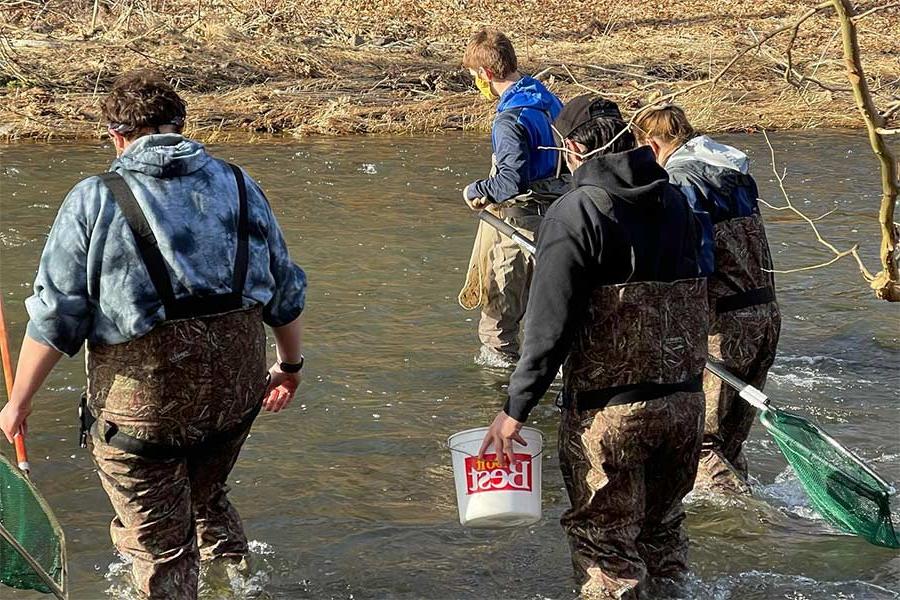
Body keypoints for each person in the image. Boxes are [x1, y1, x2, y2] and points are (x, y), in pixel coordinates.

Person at [0, 70, 307, 600]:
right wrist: (290, 366)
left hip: (146, 413)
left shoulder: (94, 197)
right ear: (183, 128)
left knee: (157, 543)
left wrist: (19, 402)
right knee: (206, 492)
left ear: (117, 136)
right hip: (234, 400)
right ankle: (237, 582)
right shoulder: (239, 183)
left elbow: (56, 316)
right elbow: (284, 287)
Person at [479, 95, 709, 599]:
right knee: (662, 536)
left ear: (572, 149)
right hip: (687, 407)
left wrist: (514, 409)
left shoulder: (574, 212)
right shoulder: (675, 201)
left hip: (612, 416)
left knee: (605, 548)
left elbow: (548, 327)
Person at [633, 104, 781, 494]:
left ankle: (749, 526)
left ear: (651, 144)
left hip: (725, 325)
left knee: (702, 444)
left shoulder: (682, 180)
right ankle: (741, 527)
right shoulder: (735, 173)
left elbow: (691, 259)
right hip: (766, 316)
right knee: (730, 442)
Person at [458, 29, 566, 368]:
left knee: (498, 318)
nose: (477, 83)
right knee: (552, 308)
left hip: (523, 222)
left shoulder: (510, 119)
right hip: (564, 213)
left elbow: (509, 182)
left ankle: (500, 391)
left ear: (487, 75)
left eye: (476, 76)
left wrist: (476, 190)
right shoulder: (547, 100)